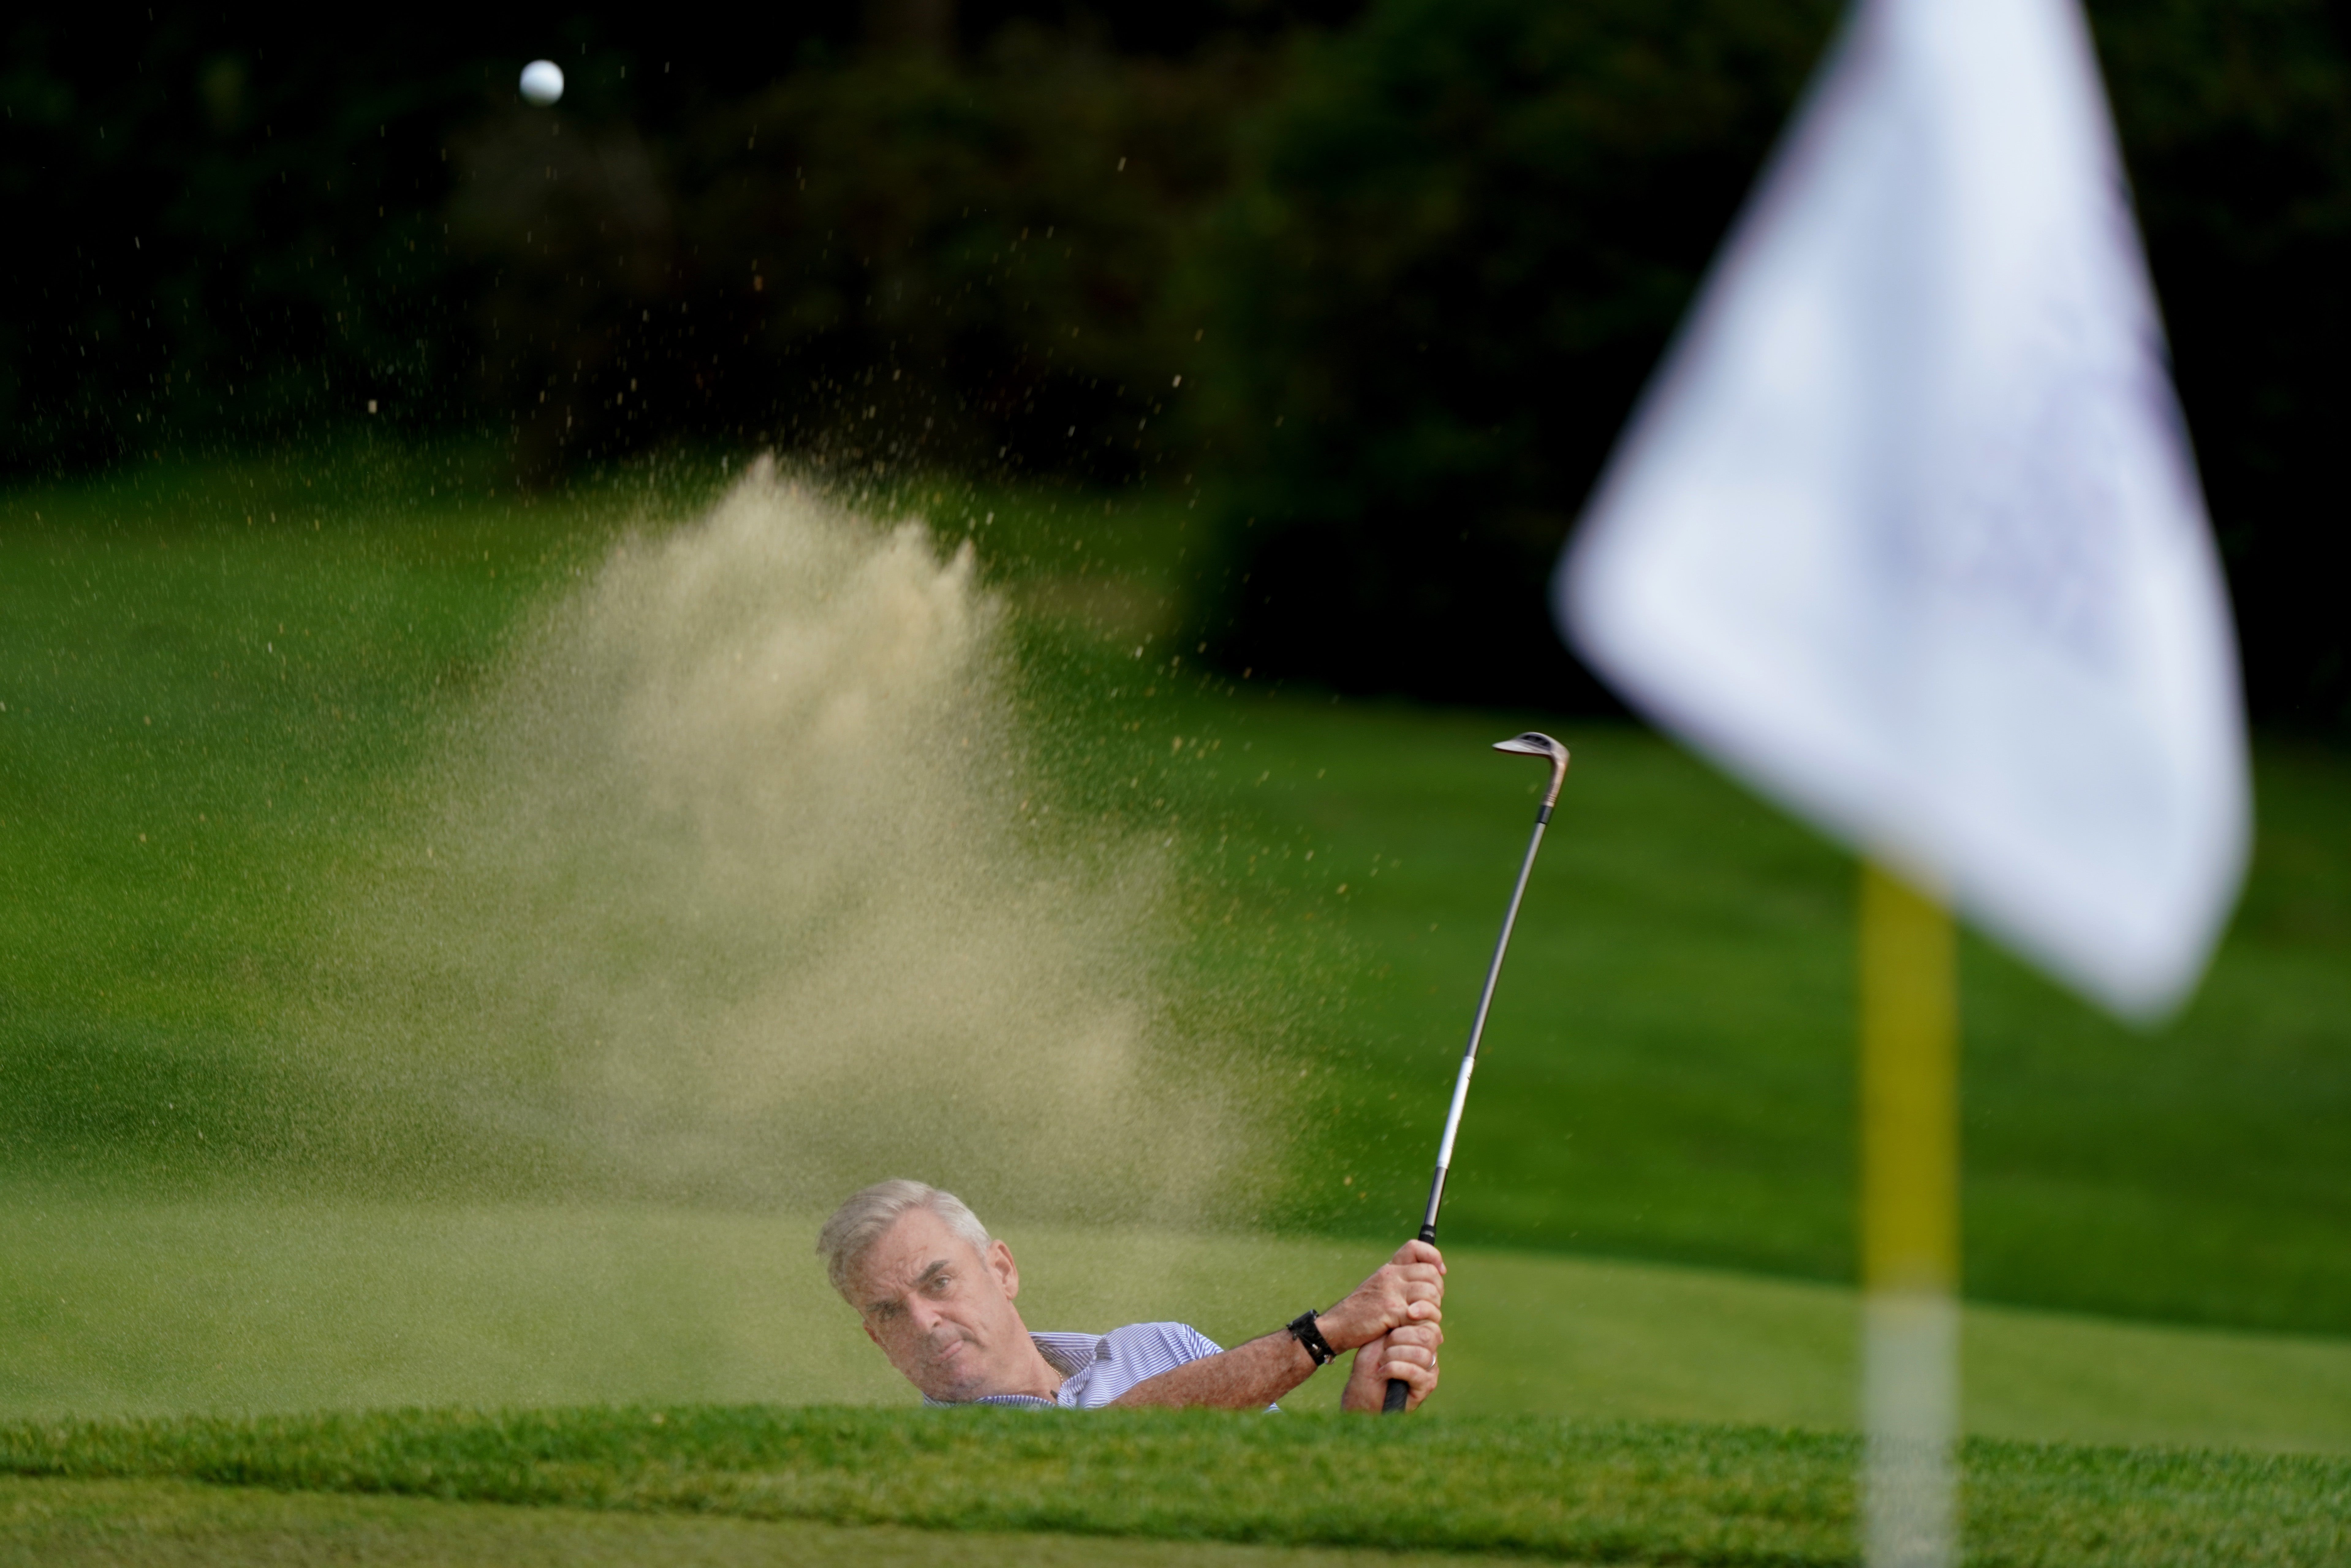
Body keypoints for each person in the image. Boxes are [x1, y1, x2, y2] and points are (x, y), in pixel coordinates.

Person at [816, 1179, 1444, 1411]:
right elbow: (1102, 1451)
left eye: (940, 1282)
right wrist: (1322, 1335)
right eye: (891, 1313)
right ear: (878, 1340)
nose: (925, 1321)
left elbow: (1294, 1500)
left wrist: (1366, 1420)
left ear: (1002, 1271)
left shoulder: (1168, 1347)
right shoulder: (930, 1460)